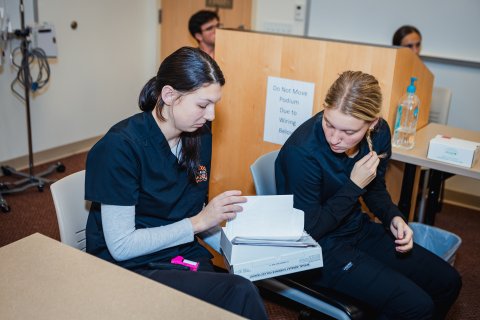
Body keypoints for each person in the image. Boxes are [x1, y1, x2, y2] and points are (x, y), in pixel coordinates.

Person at [84, 46, 268, 319]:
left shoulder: (199, 136)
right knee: (238, 293)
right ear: (169, 95)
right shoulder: (120, 148)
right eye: (203, 105)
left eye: (215, 104)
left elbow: (194, 212)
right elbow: (121, 247)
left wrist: (238, 251)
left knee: (238, 288)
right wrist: (200, 222)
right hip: (130, 265)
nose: (211, 116)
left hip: (178, 253)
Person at [275, 71, 461, 319]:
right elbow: (310, 229)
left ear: (372, 123)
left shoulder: (379, 133)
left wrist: (393, 217)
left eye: (348, 132)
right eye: (329, 123)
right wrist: (353, 186)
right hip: (318, 246)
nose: (335, 138)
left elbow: (375, 189)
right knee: (416, 306)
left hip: (356, 228)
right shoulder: (302, 151)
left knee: (448, 281)